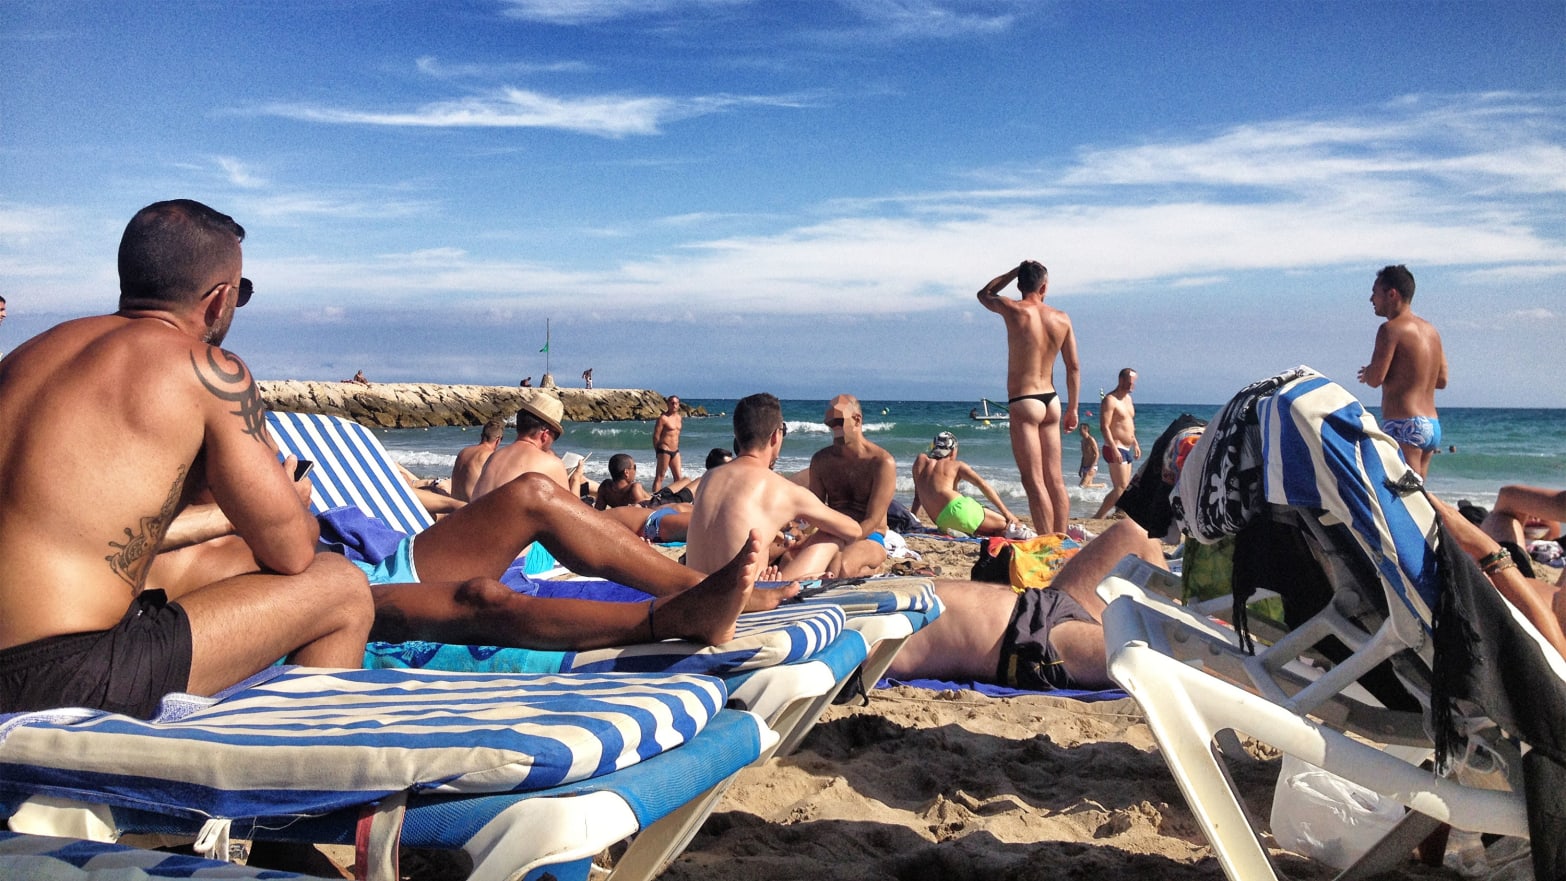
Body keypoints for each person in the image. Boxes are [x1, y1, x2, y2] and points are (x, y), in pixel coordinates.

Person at [0, 199, 374, 718]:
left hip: (24, 655)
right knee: (341, 586)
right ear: (219, 299)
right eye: (240, 292)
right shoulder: (209, 370)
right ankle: (313, 786)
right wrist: (290, 500)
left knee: (220, 568)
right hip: (64, 676)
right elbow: (292, 553)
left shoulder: (27, 355)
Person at [151, 470, 789, 651]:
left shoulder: (213, 435)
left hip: (368, 562)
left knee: (534, 497)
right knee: (485, 597)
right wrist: (254, 512)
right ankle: (674, 617)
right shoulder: (140, 542)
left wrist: (277, 504)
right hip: (329, 604)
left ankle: (710, 589)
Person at [889, 519, 1167, 690]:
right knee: (1164, 654)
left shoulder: (853, 593)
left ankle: (1183, 624)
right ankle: (1190, 645)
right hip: (1031, 646)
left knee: (1135, 533)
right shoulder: (849, 629)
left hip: (1045, 600)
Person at [686, 393, 864, 579]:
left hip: (697, 595)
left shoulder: (709, 477)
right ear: (775, 436)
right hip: (744, 602)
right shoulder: (783, 489)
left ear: (737, 436)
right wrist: (809, 540)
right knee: (832, 536)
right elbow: (853, 531)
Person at [977, 260, 1080, 535]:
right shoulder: (1062, 318)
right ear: (1044, 286)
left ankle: (1047, 541)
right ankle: (1061, 539)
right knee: (1055, 480)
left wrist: (1012, 272)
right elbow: (1073, 367)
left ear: (1020, 285)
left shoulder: (1014, 309)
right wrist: (1074, 408)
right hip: (1052, 400)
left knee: (1034, 480)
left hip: (1025, 400)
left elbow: (984, 294)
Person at [1357, 265, 1447, 478]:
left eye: (1375, 293)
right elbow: (1442, 380)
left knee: (1405, 498)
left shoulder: (1390, 329)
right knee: (1419, 496)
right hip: (1431, 425)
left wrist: (1368, 372)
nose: (1371, 299)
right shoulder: (1431, 331)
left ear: (1392, 294)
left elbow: (1376, 378)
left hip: (1405, 424)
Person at [803, 394, 898, 577]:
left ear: (857, 420)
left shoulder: (881, 462)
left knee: (842, 567)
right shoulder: (822, 460)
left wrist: (844, 540)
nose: (834, 428)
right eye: (830, 423)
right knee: (790, 562)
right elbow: (814, 509)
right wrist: (800, 532)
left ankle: (875, 566)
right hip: (834, 532)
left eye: (838, 421)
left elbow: (872, 520)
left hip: (870, 536)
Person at [910, 432, 1032, 539]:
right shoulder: (957, 465)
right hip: (959, 510)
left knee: (991, 529)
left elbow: (918, 497)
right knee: (1009, 525)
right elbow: (982, 485)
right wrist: (1007, 513)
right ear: (953, 451)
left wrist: (912, 520)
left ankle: (967, 530)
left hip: (941, 521)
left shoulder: (920, 461)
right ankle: (1029, 536)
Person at [470, 395, 583, 498]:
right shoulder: (552, 464)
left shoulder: (493, 458)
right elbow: (574, 518)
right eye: (555, 436)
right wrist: (576, 479)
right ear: (545, 434)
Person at [1092, 368, 1140, 518]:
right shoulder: (1110, 400)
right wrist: (1113, 448)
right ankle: (1098, 516)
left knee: (1125, 487)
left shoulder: (1128, 400)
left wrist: (1135, 443)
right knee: (1120, 487)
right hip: (1115, 446)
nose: (1133, 386)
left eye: (1134, 383)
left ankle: (1119, 512)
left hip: (1127, 446)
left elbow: (1128, 423)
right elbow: (1104, 426)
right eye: (1130, 382)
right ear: (1121, 380)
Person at [450, 418, 506, 502]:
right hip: (471, 509)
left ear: (481, 436)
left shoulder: (463, 452)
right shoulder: (490, 456)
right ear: (498, 440)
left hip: (453, 507)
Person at [652, 395, 684, 492]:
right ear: (668, 404)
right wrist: (657, 451)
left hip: (675, 451)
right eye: (672, 403)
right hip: (664, 450)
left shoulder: (679, 418)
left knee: (678, 478)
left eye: (676, 403)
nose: (674, 405)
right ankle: (654, 499)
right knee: (660, 476)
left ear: (679, 405)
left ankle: (677, 498)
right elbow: (656, 436)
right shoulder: (663, 418)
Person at [1077, 423, 1105, 489]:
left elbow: (1097, 454)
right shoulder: (1082, 441)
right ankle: (1100, 488)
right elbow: (1084, 456)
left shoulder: (1091, 440)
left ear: (1086, 430)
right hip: (1084, 466)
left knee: (1082, 486)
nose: (1079, 431)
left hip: (1092, 466)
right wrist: (1080, 468)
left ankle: (1102, 485)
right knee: (1088, 486)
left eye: (1081, 430)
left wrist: (1091, 467)